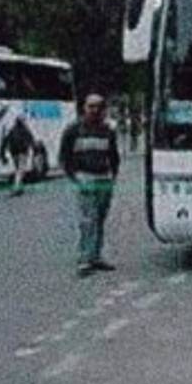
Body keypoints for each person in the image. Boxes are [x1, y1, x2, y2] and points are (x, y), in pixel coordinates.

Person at [59, 94, 121, 278]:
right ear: (84, 108)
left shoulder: (108, 131)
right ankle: (85, 259)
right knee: (88, 219)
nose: (95, 110)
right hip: (85, 178)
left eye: (99, 107)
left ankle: (96, 256)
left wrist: (113, 176)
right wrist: (75, 177)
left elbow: (114, 155)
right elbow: (64, 156)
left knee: (100, 219)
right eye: (91, 106)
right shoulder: (73, 130)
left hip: (104, 179)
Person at [0, 108, 36, 196]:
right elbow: (31, 139)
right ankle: (16, 187)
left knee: (17, 169)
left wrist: (2, 154)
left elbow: (5, 141)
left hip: (13, 153)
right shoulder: (25, 130)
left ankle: (19, 187)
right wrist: (33, 148)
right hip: (23, 152)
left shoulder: (12, 130)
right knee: (20, 170)